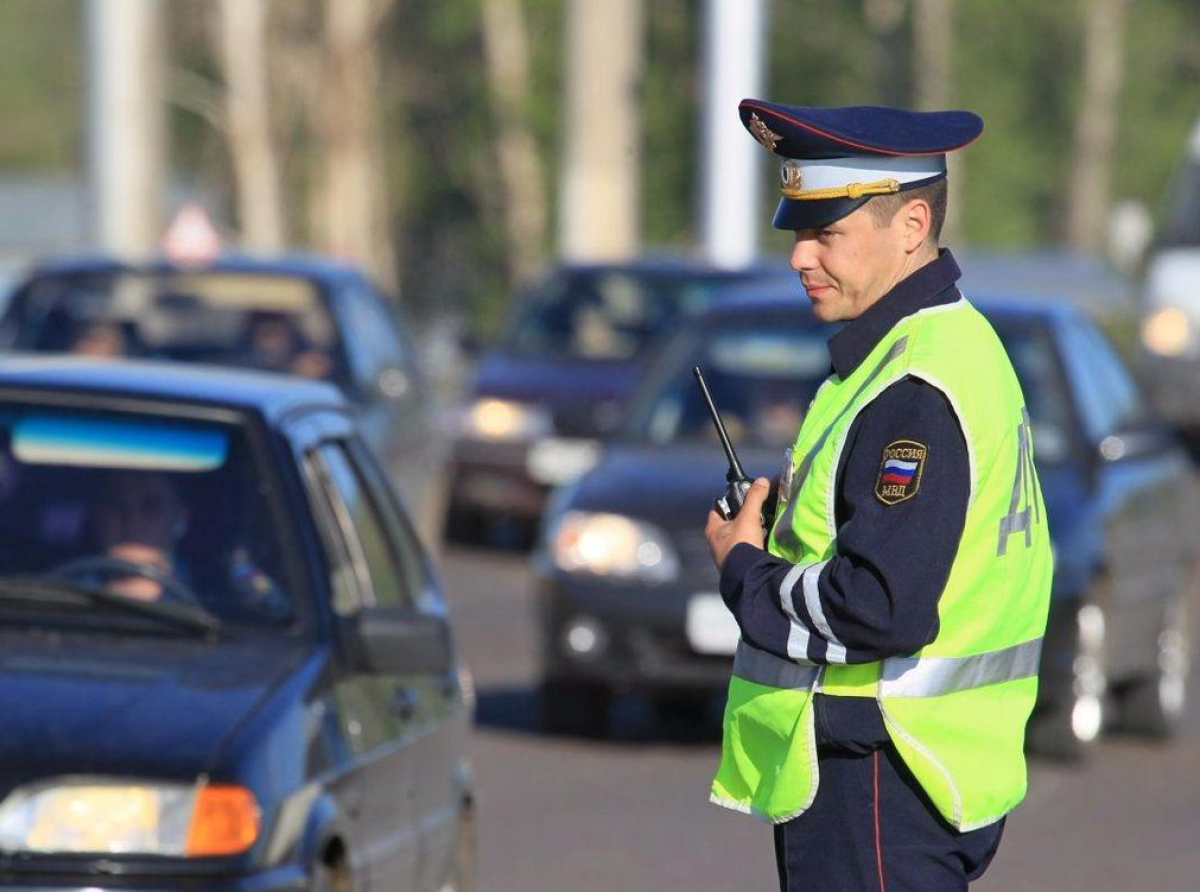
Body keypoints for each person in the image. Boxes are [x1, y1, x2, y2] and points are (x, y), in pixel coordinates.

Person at [702, 100, 1053, 891]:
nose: (799, 256)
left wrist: (744, 569)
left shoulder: (914, 385)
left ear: (911, 223)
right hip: (911, 775)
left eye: (826, 232)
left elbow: (880, 605)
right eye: (798, 231)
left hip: (882, 775)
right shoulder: (937, 346)